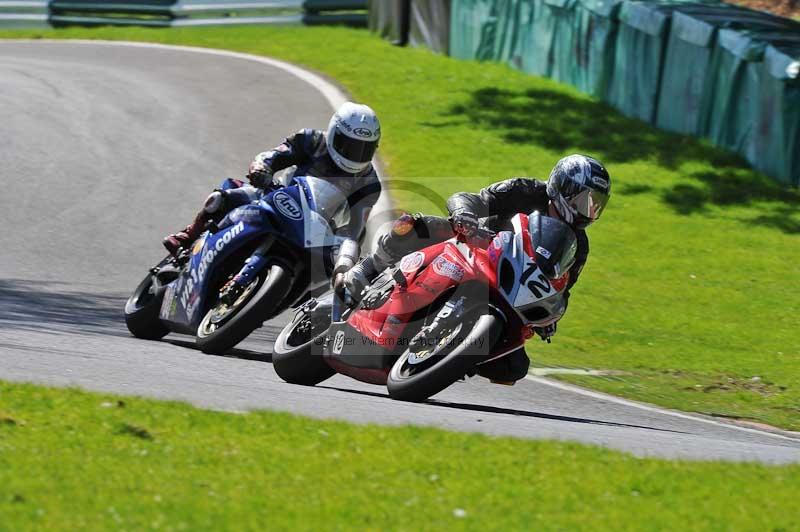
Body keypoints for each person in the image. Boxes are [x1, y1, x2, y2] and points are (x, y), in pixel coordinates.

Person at [342, 154, 611, 383]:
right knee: (416, 226)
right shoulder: (526, 190)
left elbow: (563, 287)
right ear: (563, 187)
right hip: (475, 244)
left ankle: (453, 356)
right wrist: (464, 214)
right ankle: (367, 269)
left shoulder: (578, 246)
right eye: (585, 201)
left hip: (509, 290)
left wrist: (550, 319)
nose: (589, 210)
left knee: (513, 368)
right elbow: (474, 198)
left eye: (596, 204)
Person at [162, 101, 382, 299]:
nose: (356, 155)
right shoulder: (312, 140)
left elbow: (356, 229)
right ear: (334, 133)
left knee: (326, 274)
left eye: (365, 149)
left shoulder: (369, 182)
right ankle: (188, 238)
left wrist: (344, 258)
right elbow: (273, 156)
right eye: (350, 146)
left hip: (319, 232)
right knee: (223, 197)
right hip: (277, 198)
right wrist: (261, 168)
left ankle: (297, 307)